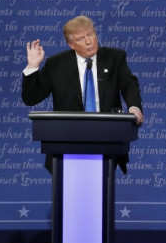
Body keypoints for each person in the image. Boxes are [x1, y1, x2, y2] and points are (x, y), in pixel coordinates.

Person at [22, 15, 144, 173]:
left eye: (91, 35)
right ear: (71, 44)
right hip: (67, 142)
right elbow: (31, 98)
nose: (88, 41)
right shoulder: (56, 64)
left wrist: (134, 107)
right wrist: (32, 67)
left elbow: (129, 84)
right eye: (81, 38)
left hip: (107, 140)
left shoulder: (115, 58)